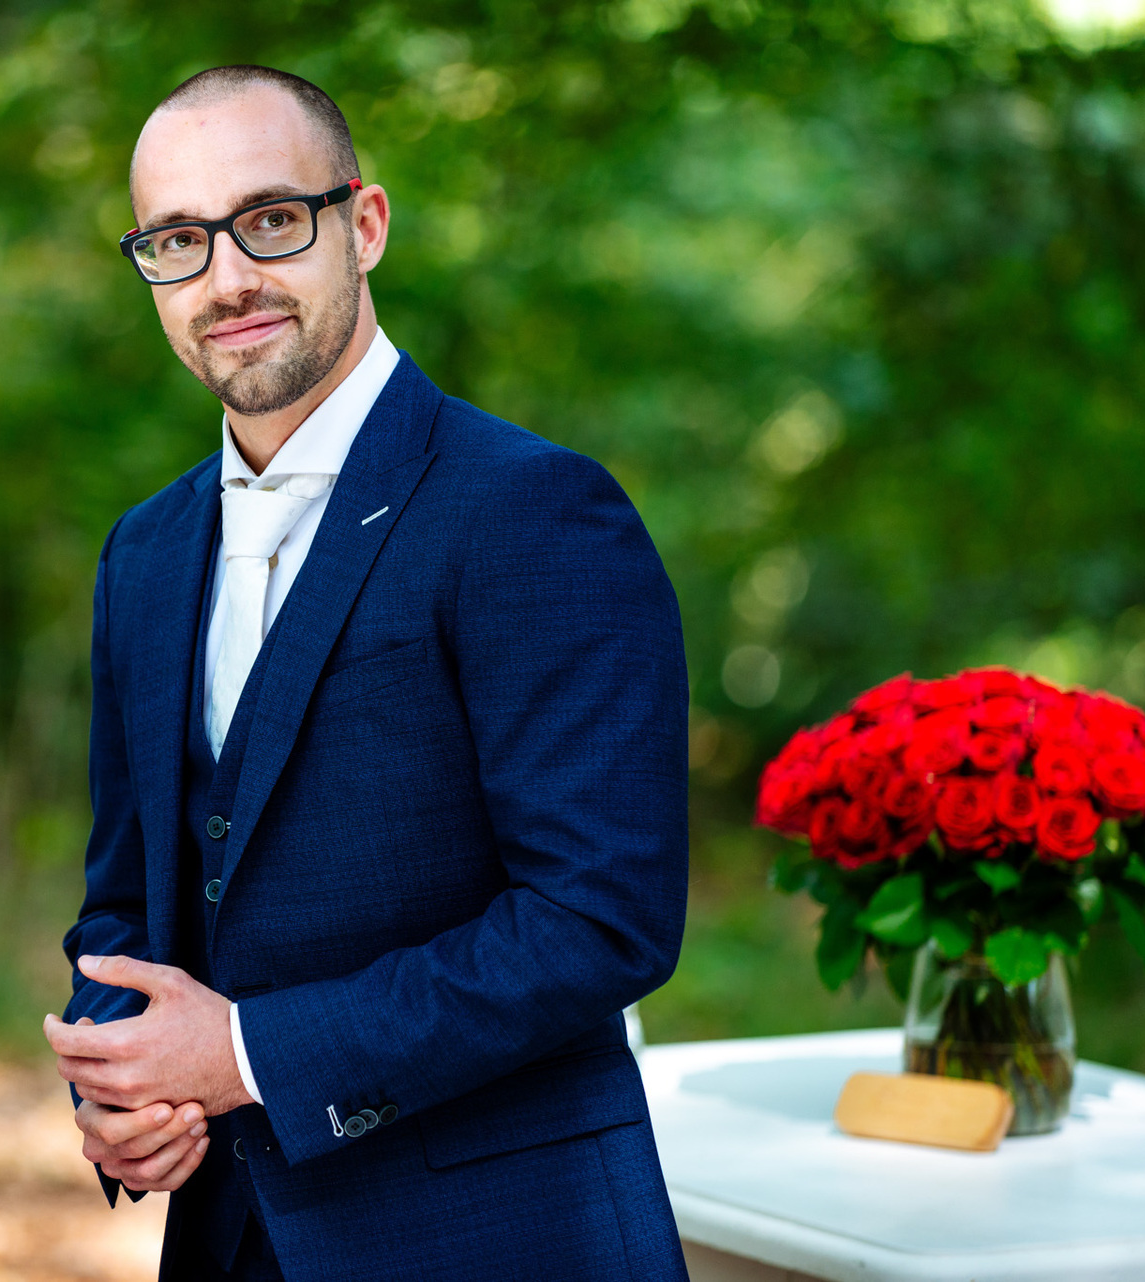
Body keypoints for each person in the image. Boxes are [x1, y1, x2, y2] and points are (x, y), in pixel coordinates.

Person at [44, 64, 690, 1282]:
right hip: (230, 1242)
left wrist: (243, 1055)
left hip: (501, 1242)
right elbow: (126, 899)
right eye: (179, 241)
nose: (227, 278)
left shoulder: (534, 510)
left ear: (366, 225)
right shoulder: (145, 551)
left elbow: (601, 918)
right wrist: (121, 1068)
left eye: (270, 221)